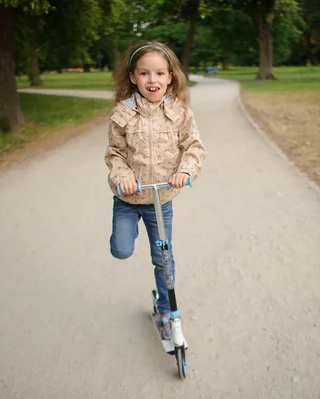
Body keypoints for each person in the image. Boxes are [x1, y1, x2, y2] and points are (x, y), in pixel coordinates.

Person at [104, 41, 207, 339]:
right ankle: (126, 235)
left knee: (163, 257)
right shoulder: (123, 113)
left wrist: (185, 171)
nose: (153, 80)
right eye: (145, 74)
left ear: (170, 76)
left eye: (160, 73)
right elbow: (115, 153)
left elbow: (194, 147)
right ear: (133, 77)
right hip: (128, 198)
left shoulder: (180, 112)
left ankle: (167, 310)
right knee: (122, 250)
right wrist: (122, 176)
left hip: (160, 201)